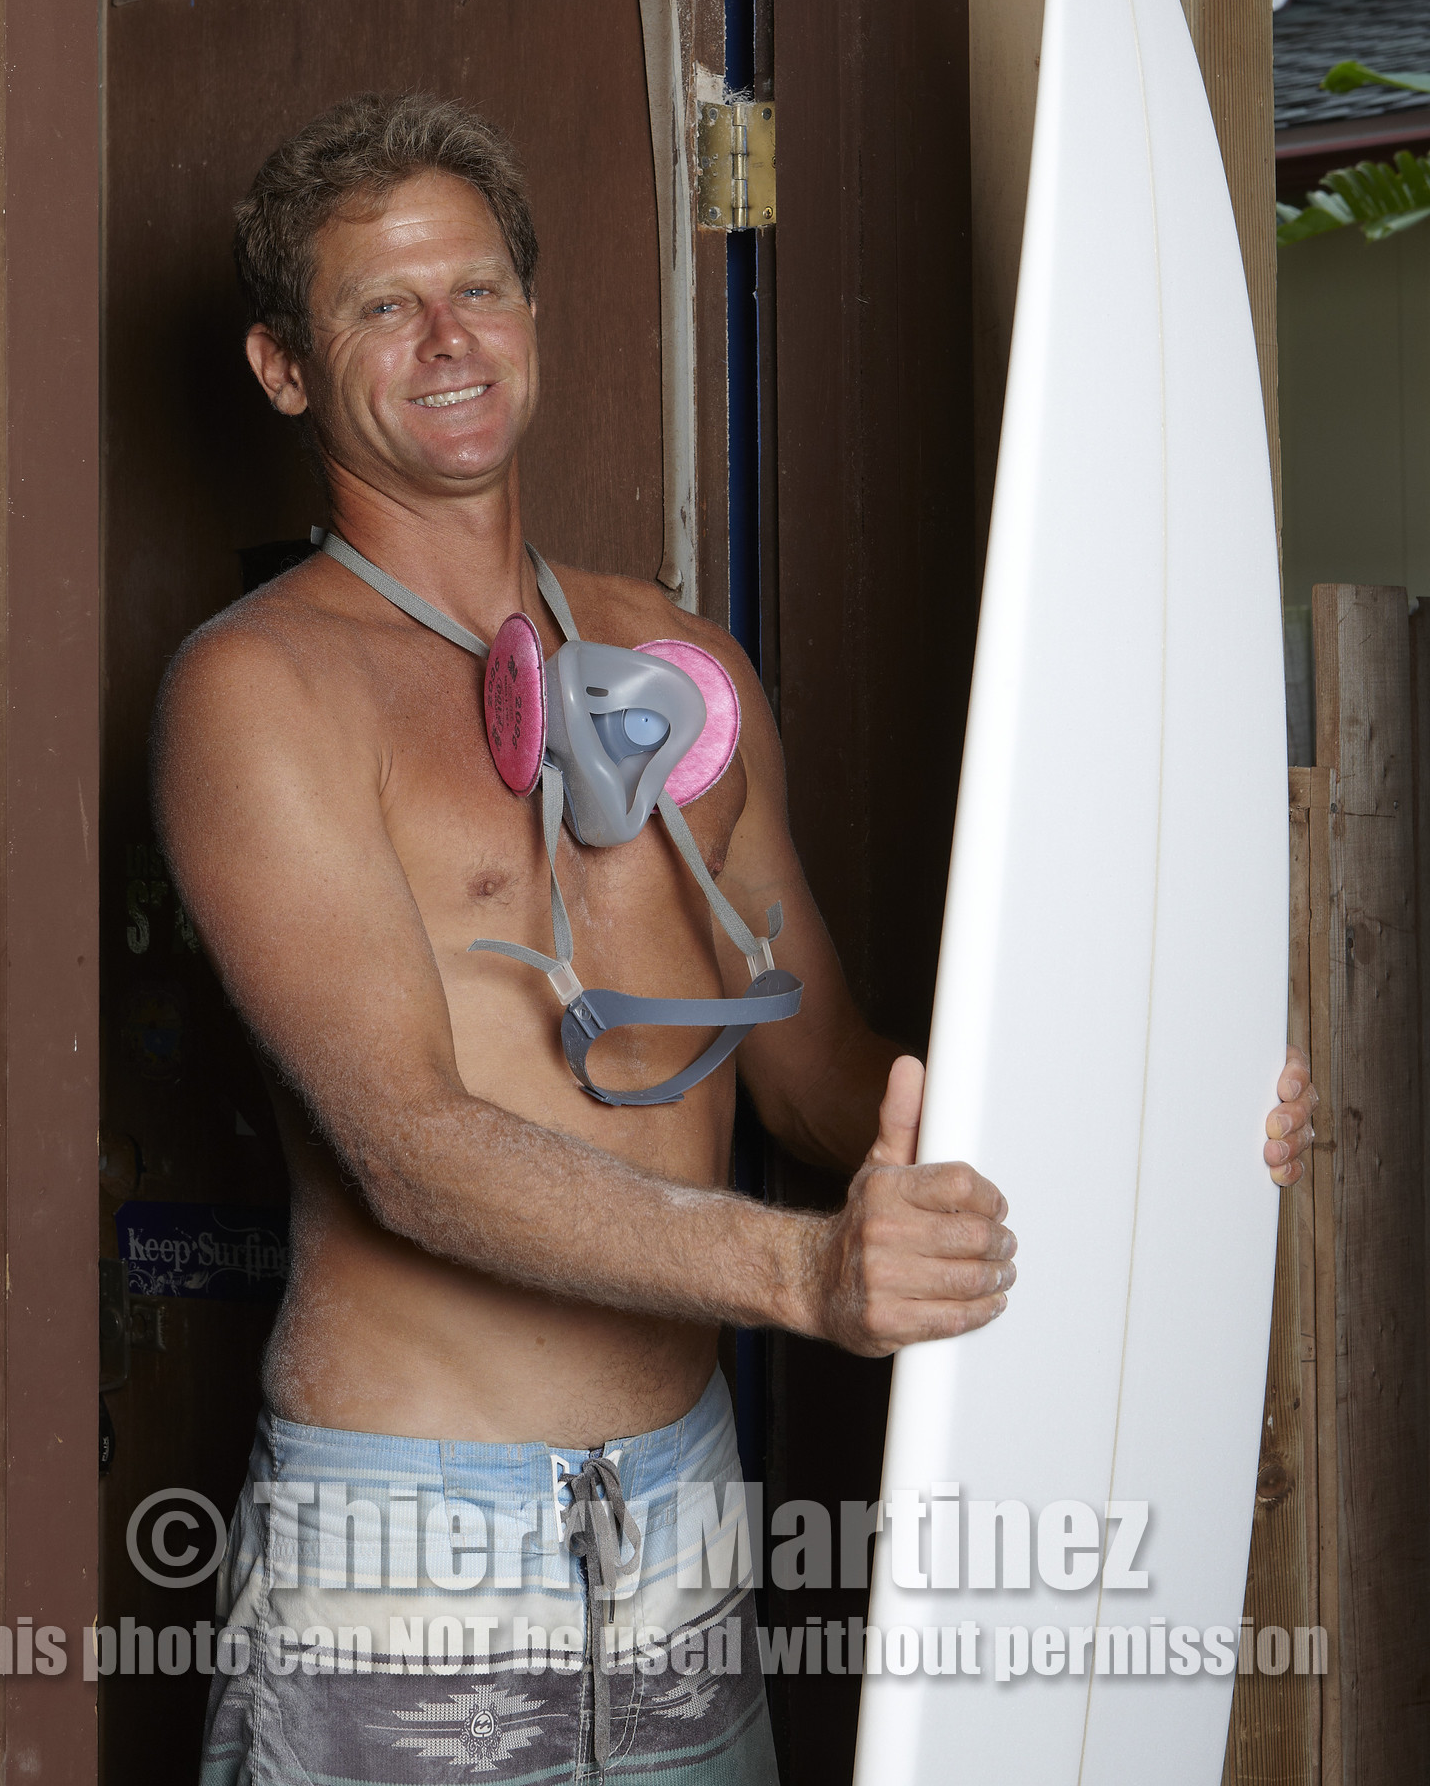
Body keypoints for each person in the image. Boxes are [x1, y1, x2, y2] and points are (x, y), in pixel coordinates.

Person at [154, 91, 1316, 1786]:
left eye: (477, 288)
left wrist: (1158, 1142)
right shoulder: (257, 688)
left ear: (536, 315)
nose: (447, 339)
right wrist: (804, 1272)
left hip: (689, 1509)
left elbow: (824, 1076)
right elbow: (407, 1148)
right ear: (285, 368)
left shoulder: (681, 663)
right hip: (414, 1533)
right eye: (380, 308)